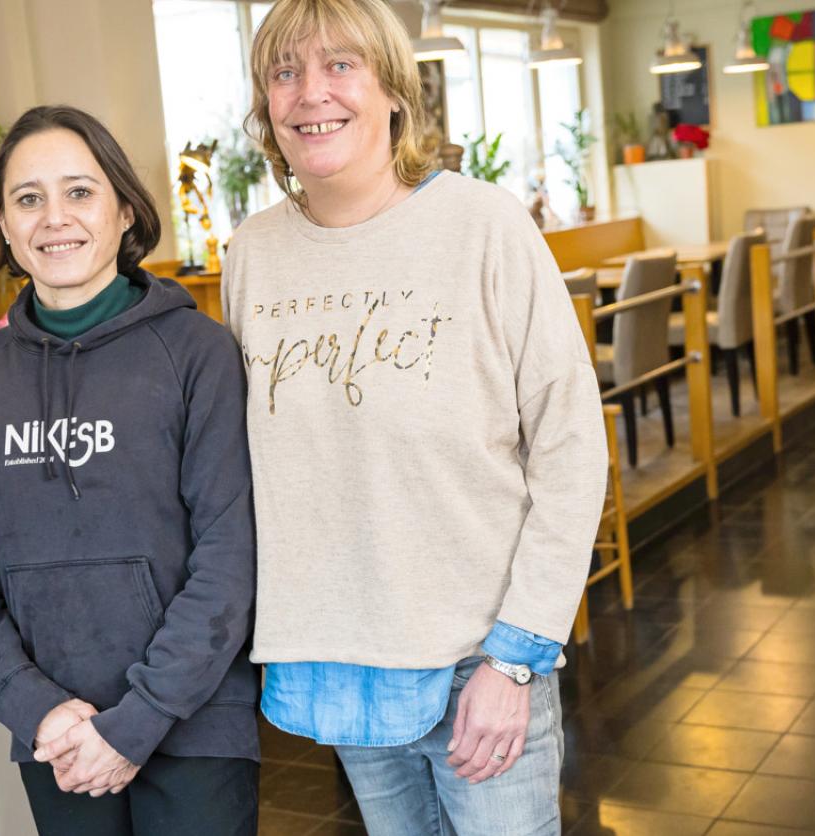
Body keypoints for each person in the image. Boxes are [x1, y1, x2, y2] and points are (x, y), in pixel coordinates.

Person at [221, 1, 607, 833]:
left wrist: (517, 657)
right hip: (342, 662)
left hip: (481, 661)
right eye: (284, 72)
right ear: (265, 108)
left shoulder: (483, 225)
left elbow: (572, 447)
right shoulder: (252, 252)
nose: (310, 94)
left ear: (393, 92)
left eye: (340, 66)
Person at [0, 105, 258, 836]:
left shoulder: (198, 354)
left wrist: (137, 722)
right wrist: (32, 704)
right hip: (57, 731)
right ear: (3, 228)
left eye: (79, 191)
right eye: (28, 199)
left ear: (125, 210)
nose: (55, 219)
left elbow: (230, 560)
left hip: (194, 721)